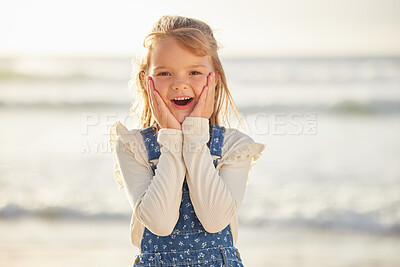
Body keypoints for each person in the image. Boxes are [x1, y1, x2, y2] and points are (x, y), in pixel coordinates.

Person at [109, 15, 265, 266]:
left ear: (214, 80)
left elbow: (215, 220)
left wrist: (193, 137)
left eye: (194, 72)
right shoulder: (133, 146)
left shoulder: (234, 148)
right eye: (164, 73)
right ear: (145, 81)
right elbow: (160, 223)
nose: (180, 83)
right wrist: (171, 140)